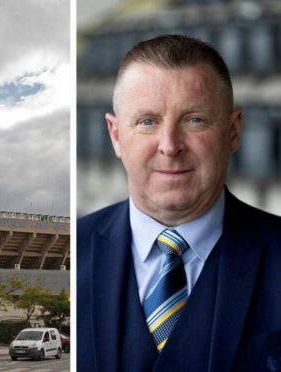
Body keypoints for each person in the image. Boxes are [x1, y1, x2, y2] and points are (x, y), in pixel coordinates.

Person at [77, 34, 281, 372]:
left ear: (233, 130)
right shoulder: (78, 249)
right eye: (147, 122)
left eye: (194, 120)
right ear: (115, 135)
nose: (170, 146)